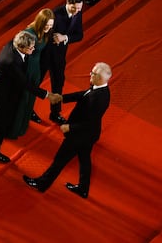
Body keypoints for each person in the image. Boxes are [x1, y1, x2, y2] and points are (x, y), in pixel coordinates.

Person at [23, 62, 112, 199]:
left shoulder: (98, 98)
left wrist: (70, 127)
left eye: (93, 73)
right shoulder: (101, 90)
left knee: (60, 159)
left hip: (81, 135)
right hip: (89, 135)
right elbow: (83, 95)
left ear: (100, 78)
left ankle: (42, 184)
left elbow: (90, 122)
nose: (90, 74)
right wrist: (62, 98)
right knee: (84, 160)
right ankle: (83, 188)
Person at [0, 31, 62, 164]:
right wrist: (48, 95)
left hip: (5, 92)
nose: (34, 49)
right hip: (0, 96)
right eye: (31, 48)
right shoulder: (11, 61)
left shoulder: (13, 44)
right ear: (21, 48)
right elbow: (25, 83)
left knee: (1, 125)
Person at [9, 9, 55, 137]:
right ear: (40, 23)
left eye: (51, 26)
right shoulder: (29, 34)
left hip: (36, 69)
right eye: (47, 26)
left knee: (30, 98)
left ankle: (23, 124)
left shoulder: (45, 33)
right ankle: (14, 127)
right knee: (23, 98)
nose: (49, 28)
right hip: (26, 68)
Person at [43, 0, 84, 125]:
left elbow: (79, 35)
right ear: (68, 3)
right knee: (34, 83)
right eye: (74, 8)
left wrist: (65, 37)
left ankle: (55, 113)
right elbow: (45, 33)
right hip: (45, 54)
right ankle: (27, 110)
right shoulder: (55, 14)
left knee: (58, 83)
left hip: (60, 55)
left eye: (79, 8)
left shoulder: (78, 13)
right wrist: (54, 37)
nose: (77, 11)